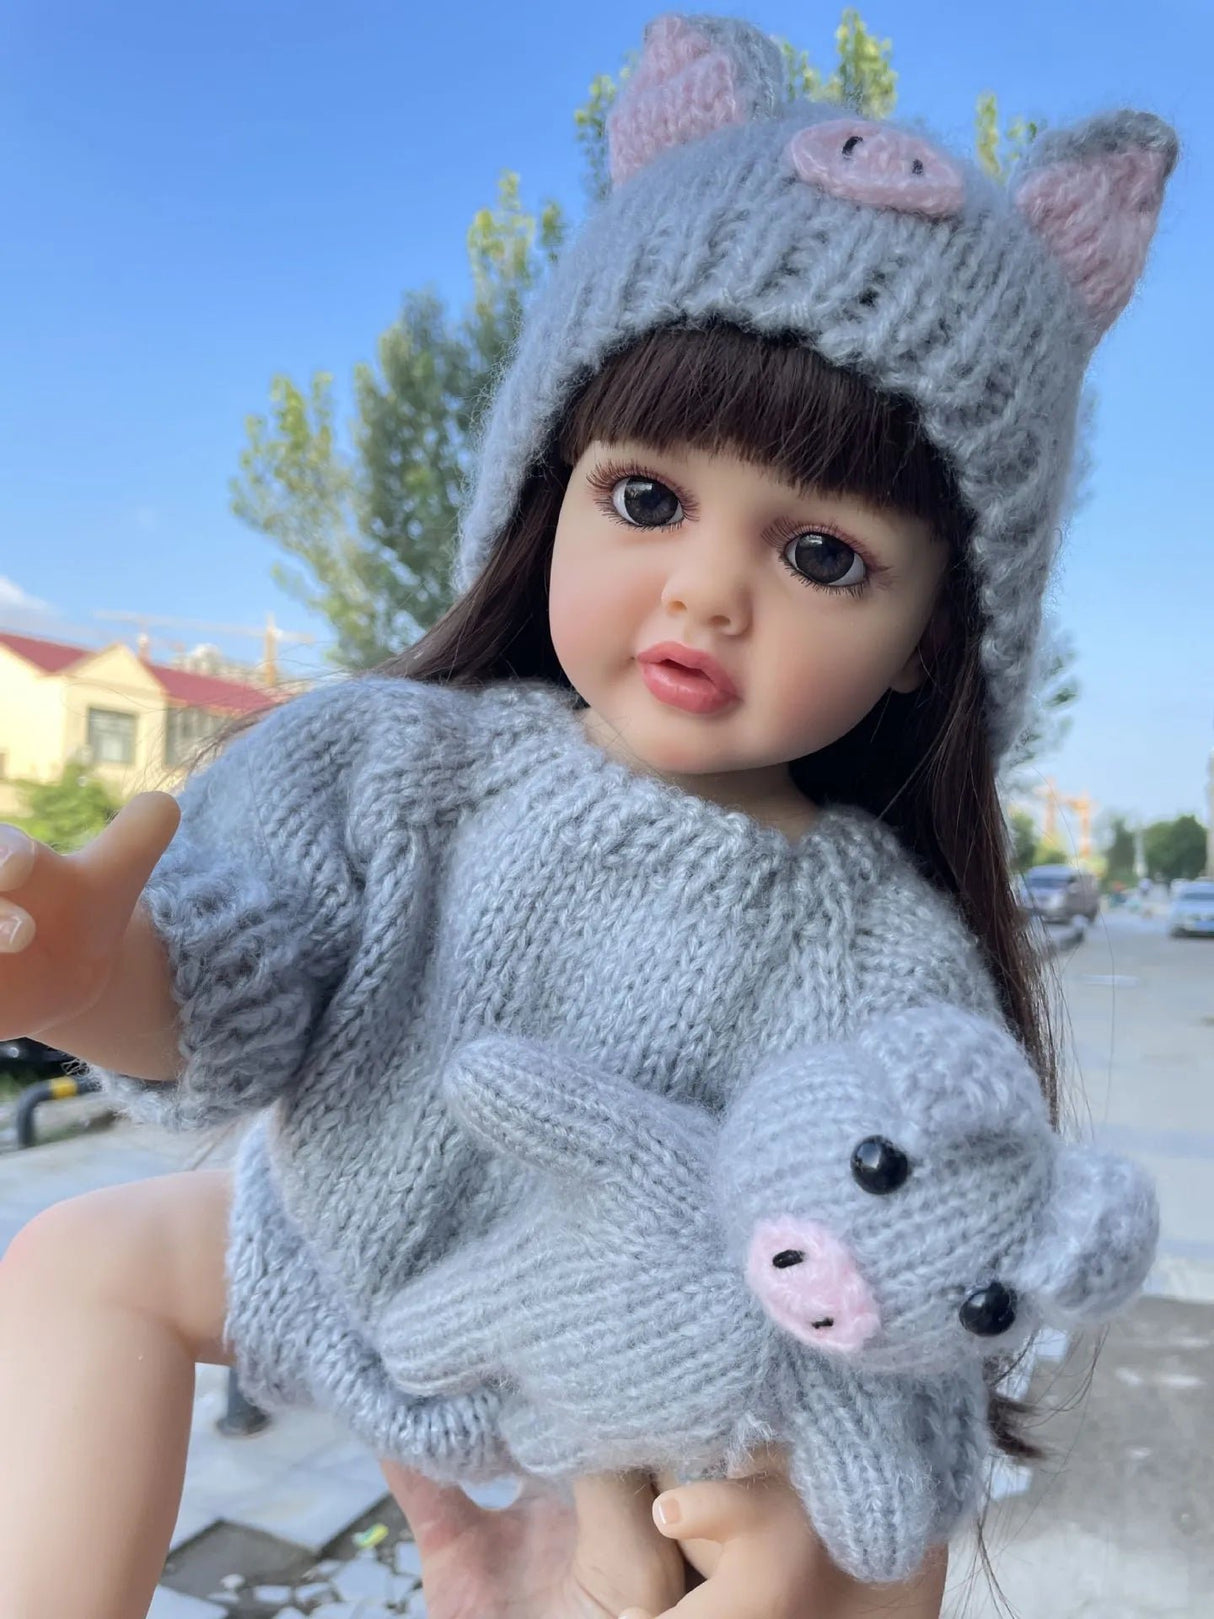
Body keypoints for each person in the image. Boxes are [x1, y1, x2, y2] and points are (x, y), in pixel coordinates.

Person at [0, 12, 1175, 1618]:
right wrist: (88, 976)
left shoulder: (868, 946)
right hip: (345, 1251)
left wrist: (806, 1537)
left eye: (820, 554)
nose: (706, 587)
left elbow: (915, 1226)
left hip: (648, 1369)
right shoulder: (399, 763)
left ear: (930, 651)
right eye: (645, 498)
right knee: (79, 1261)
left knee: (851, 1539)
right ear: (546, 486)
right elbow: (238, 985)